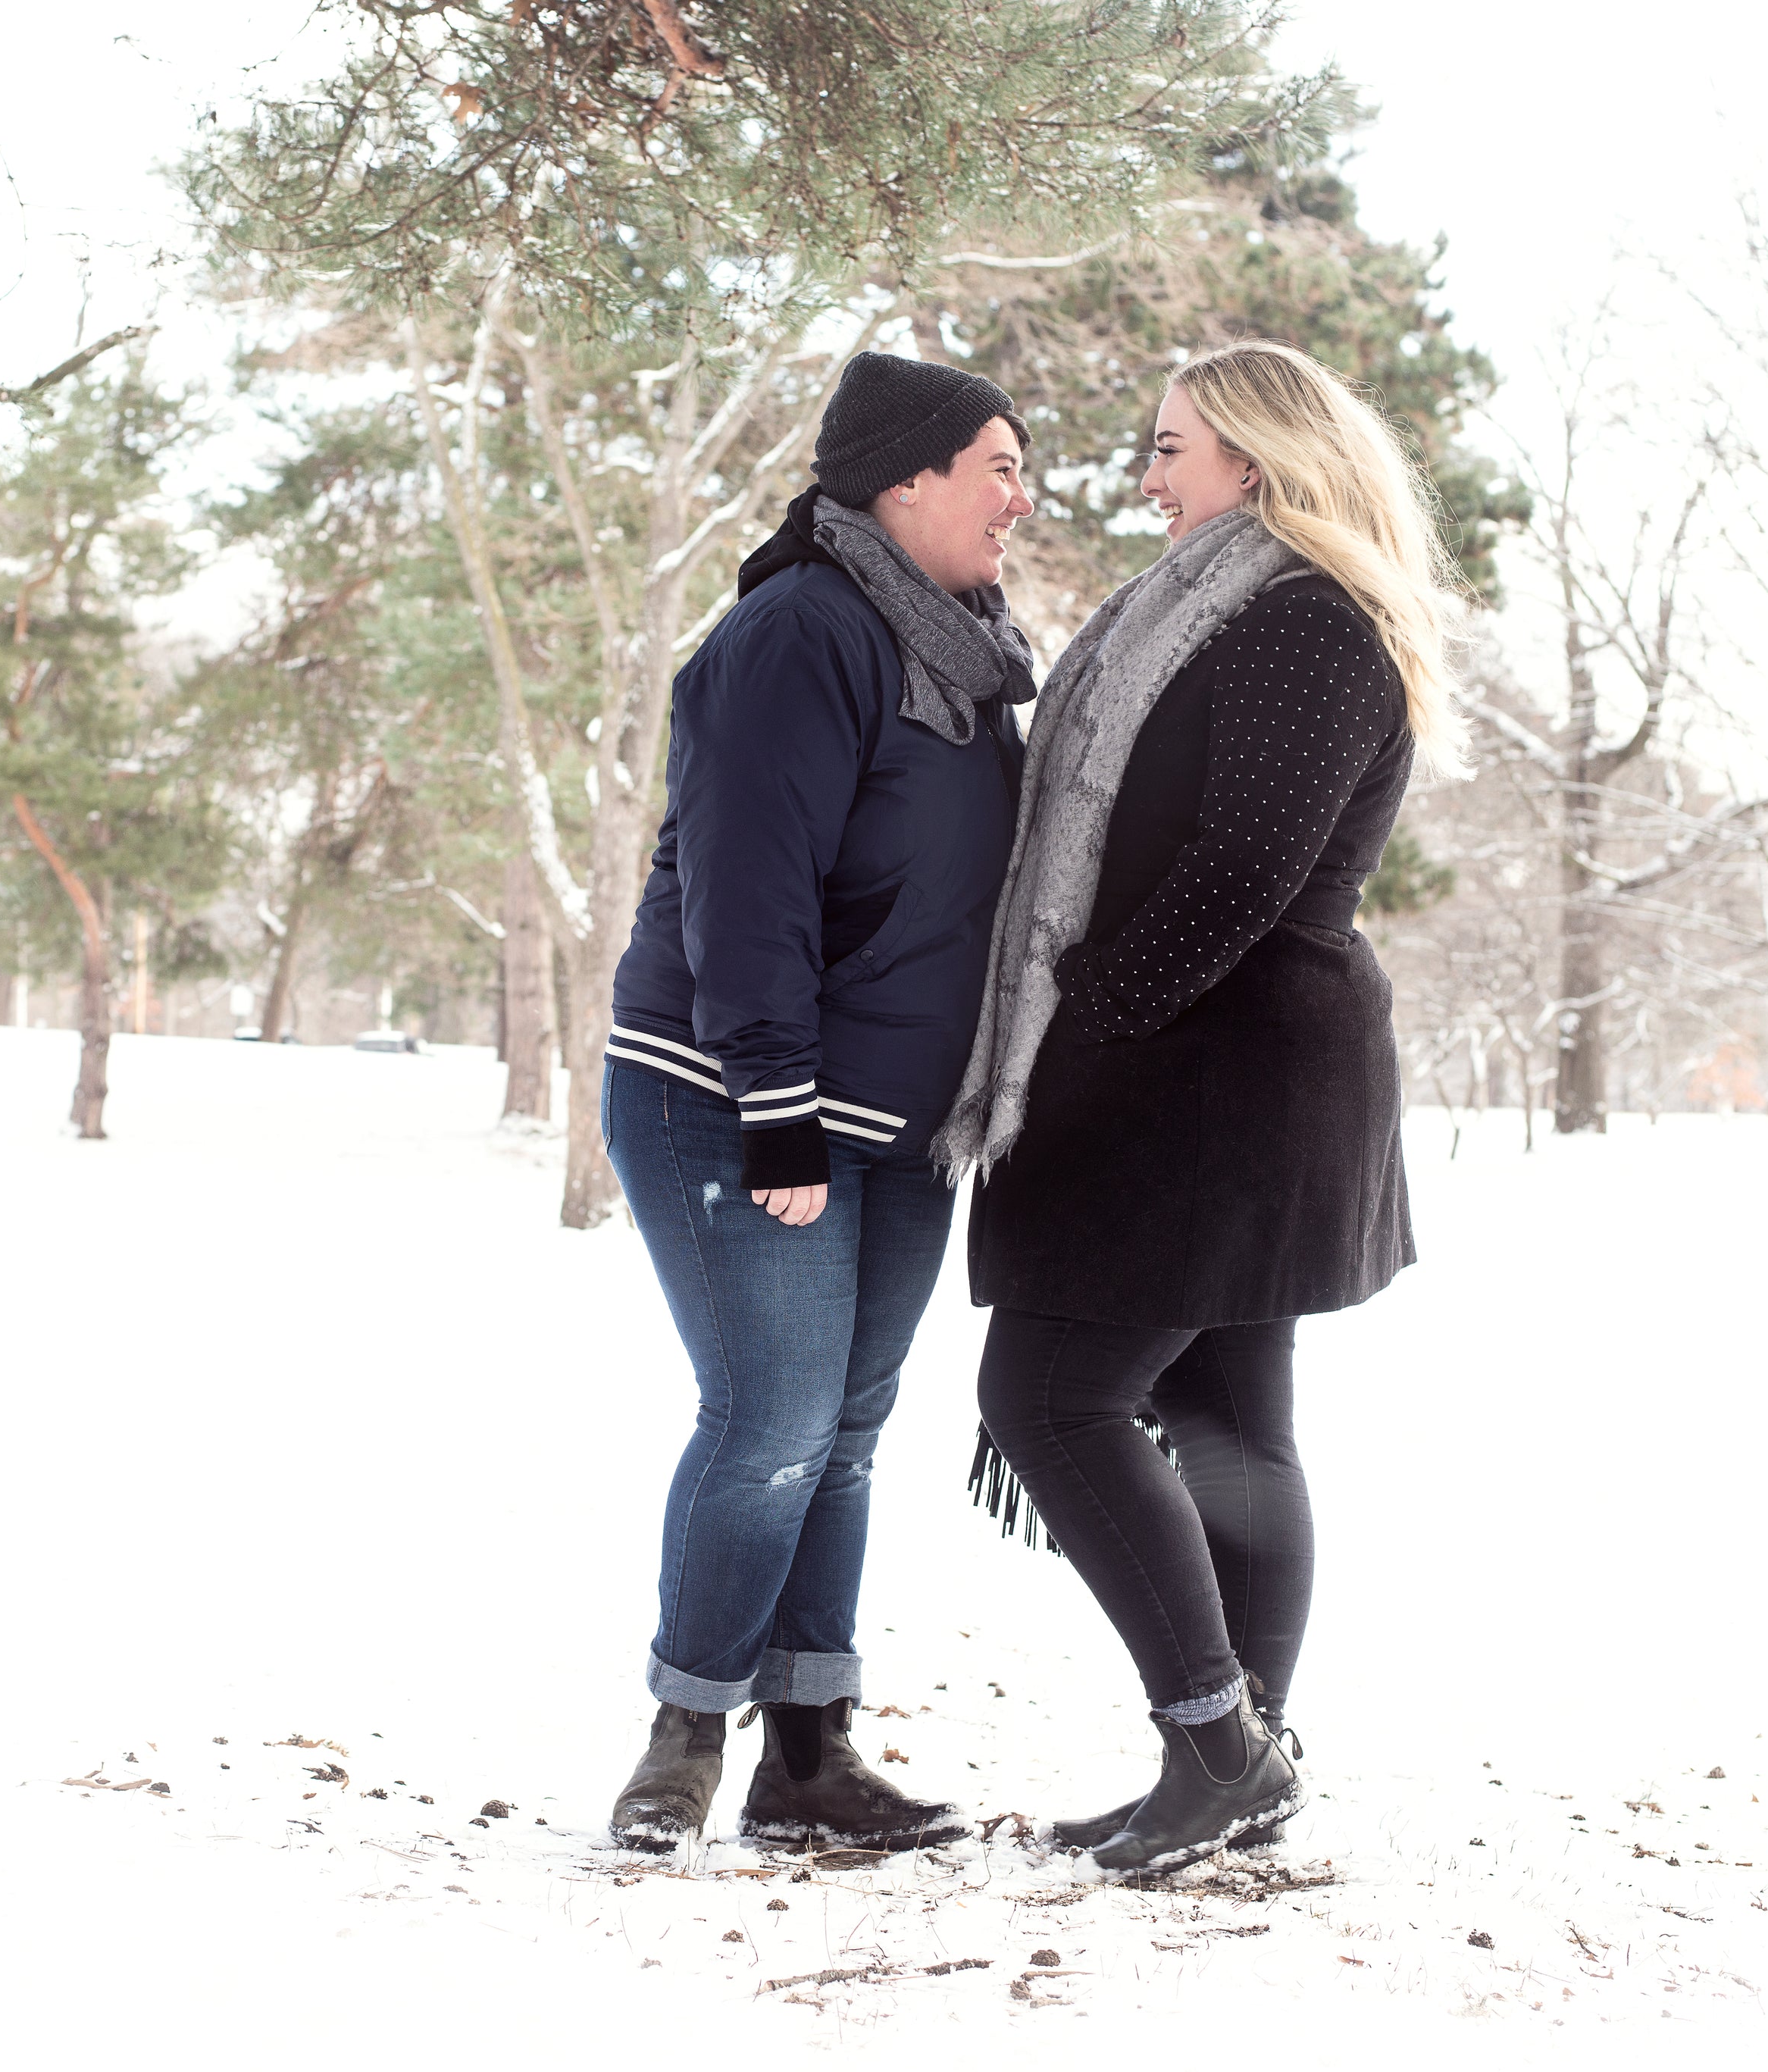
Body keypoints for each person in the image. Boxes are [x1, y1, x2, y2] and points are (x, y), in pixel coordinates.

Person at [934, 339, 1461, 1874]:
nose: (1146, 474)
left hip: (1213, 1078)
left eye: (1169, 447)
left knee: (1045, 1397)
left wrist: (1090, 1001)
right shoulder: (1235, 608)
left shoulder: (1299, 620)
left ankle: (1217, 1745)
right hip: (1214, 1065)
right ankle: (1234, 1762)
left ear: (1253, 455)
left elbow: (1241, 867)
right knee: (1226, 1417)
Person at [602, 352, 1036, 1853]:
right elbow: (744, 880)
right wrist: (774, 1097)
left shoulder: (971, 658)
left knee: (843, 1428)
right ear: (900, 476)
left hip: (895, 1120)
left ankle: (807, 1755)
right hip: (733, 1091)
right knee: (771, 1414)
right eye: (993, 461)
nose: (1017, 495)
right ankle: (683, 1732)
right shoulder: (798, 632)